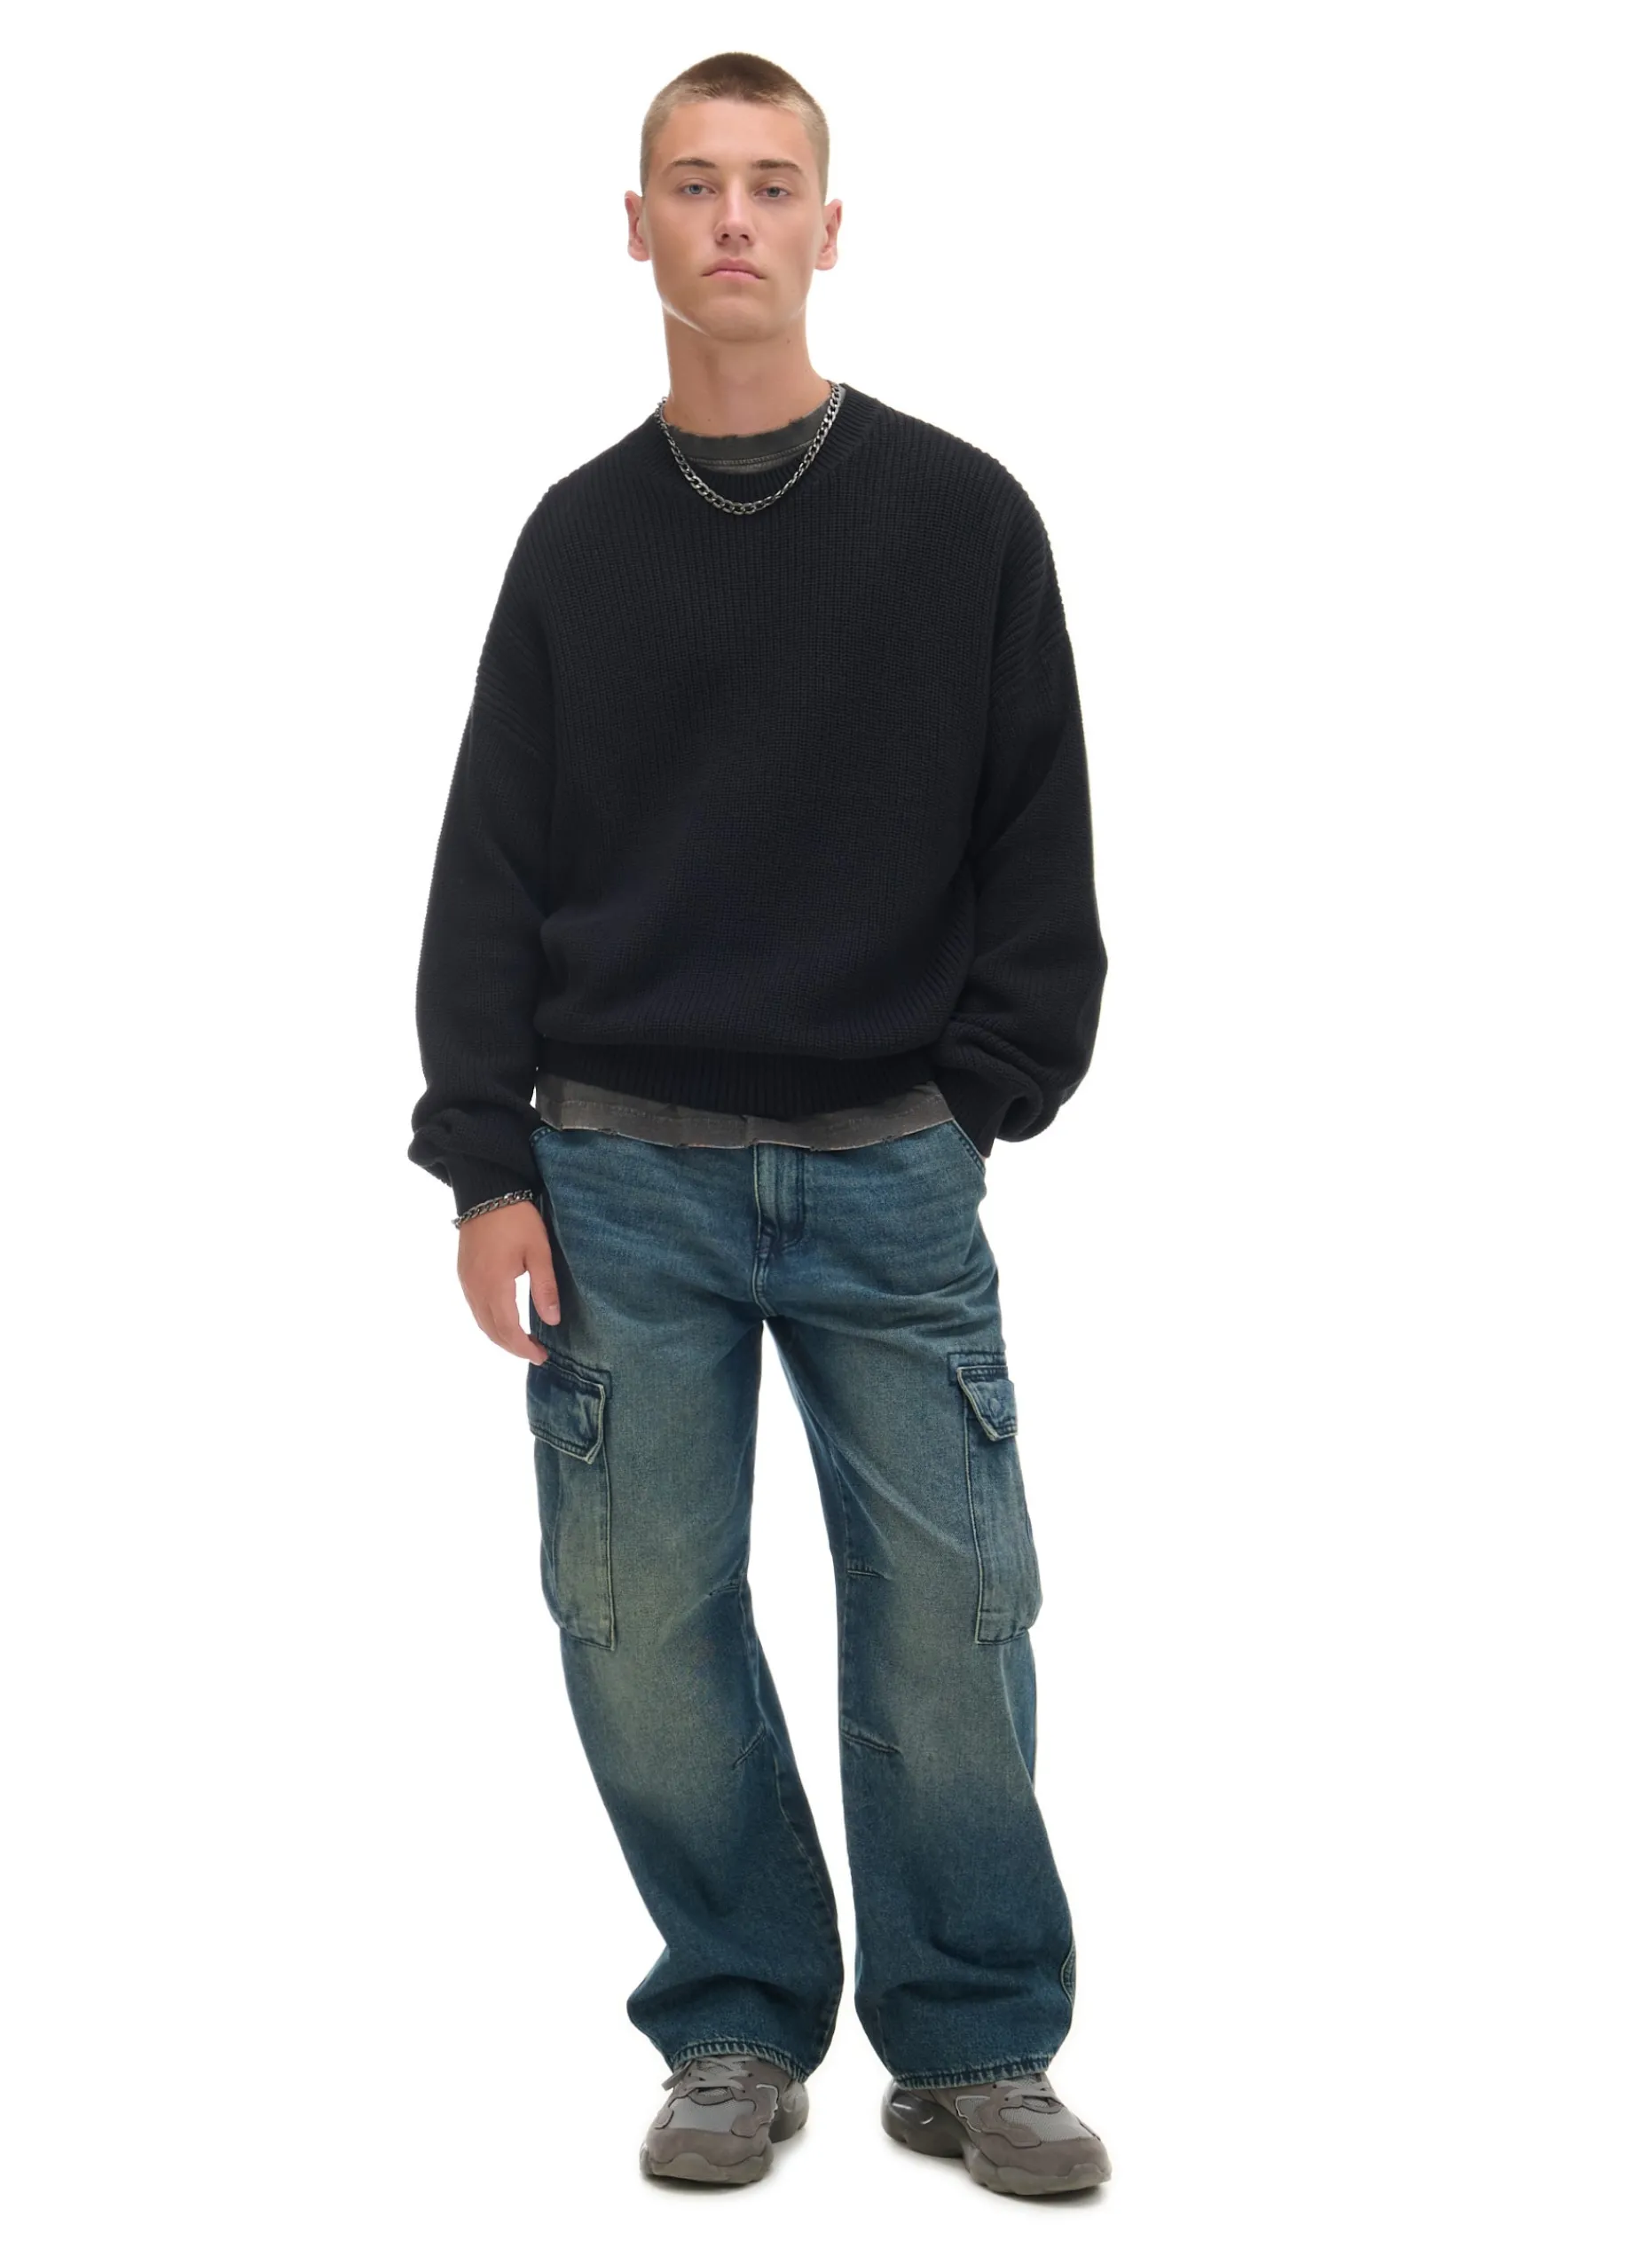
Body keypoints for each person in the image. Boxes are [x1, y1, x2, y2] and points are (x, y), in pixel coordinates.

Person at [406, 51, 1111, 2198]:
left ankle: (973, 2040)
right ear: (635, 229)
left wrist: (975, 1099)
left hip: (891, 1165)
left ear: (827, 224)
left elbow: (1038, 846)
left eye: (770, 184)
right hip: (619, 1173)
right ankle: (730, 2014)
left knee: (951, 1616)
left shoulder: (962, 518)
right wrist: (487, 1163)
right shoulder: (576, 541)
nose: (732, 219)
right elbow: (491, 864)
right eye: (693, 185)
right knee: (635, 1617)